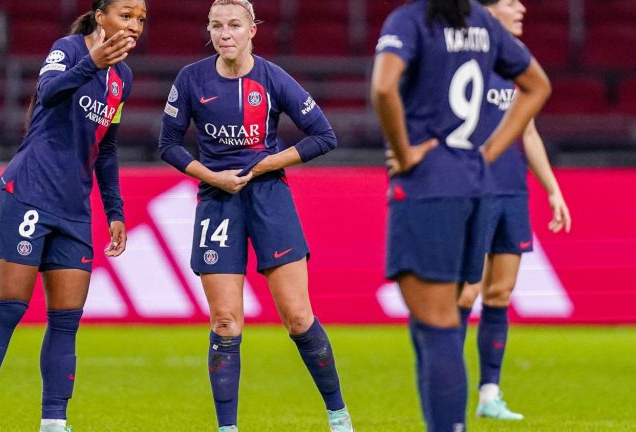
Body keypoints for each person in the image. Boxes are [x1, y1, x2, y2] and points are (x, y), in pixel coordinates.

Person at [158, 1, 353, 431]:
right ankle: (227, 428)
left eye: (233, 26)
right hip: (217, 200)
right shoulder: (191, 79)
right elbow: (168, 144)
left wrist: (264, 164)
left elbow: (325, 135)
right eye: (216, 26)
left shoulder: (271, 77)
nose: (225, 34)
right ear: (209, 31)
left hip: (268, 197)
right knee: (225, 320)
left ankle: (339, 417)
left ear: (252, 31)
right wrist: (211, 175)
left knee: (298, 317)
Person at [0, 0, 145, 431]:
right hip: (28, 193)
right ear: (100, 16)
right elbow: (50, 92)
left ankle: (54, 423)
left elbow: (107, 147)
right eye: (126, 15)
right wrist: (93, 63)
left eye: (140, 19)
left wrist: (114, 210)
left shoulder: (123, 79)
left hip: (74, 211)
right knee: (9, 306)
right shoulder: (69, 49)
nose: (134, 26)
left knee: (65, 320)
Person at [371, 0, 551, 431]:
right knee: (443, 318)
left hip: (431, 185)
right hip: (476, 183)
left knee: (435, 325)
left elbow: (383, 87)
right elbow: (538, 86)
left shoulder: (411, 19)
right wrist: (487, 152)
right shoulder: (483, 23)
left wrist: (403, 151)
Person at [454, 0, 571, 421]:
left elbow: (529, 130)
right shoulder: (465, 56)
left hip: (512, 192)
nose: (522, 8)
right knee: (466, 292)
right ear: (487, 11)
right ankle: (448, 389)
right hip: (473, 191)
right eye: (510, 2)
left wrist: (552, 189)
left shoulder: (518, 62)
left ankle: (489, 395)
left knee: (500, 293)